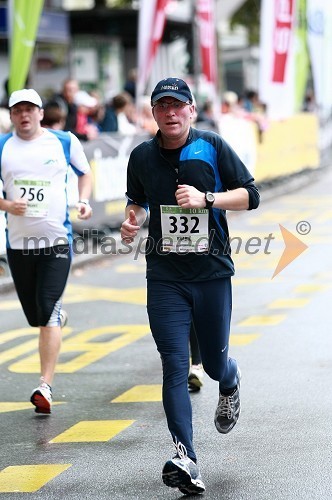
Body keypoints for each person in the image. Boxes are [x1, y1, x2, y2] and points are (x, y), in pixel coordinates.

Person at [120, 77, 260, 495]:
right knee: (174, 364)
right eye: (162, 106)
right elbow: (136, 200)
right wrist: (132, 220)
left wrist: (208, 199)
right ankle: (186, 456)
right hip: (164, 275)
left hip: (211, 273)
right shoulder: (142, 156)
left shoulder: (212, 146)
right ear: (154, 112)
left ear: (192, 109)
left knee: (215, 366)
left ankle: (229, 380)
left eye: (178, 105)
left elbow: (251, 195)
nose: (171, 113)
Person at [0, 89, 93, 414]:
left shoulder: (64, 141)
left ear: (41, 112)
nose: (23, 115)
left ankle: (45, 386)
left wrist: (83, 201)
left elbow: (85, 173)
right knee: (36, 316)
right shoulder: (2, 146)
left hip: (56, 242)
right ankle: (53, 317)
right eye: (17, 111)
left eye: (29, 109)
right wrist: (8, 204)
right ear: (11, 115)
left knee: (48, 311)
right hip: (19, 245)